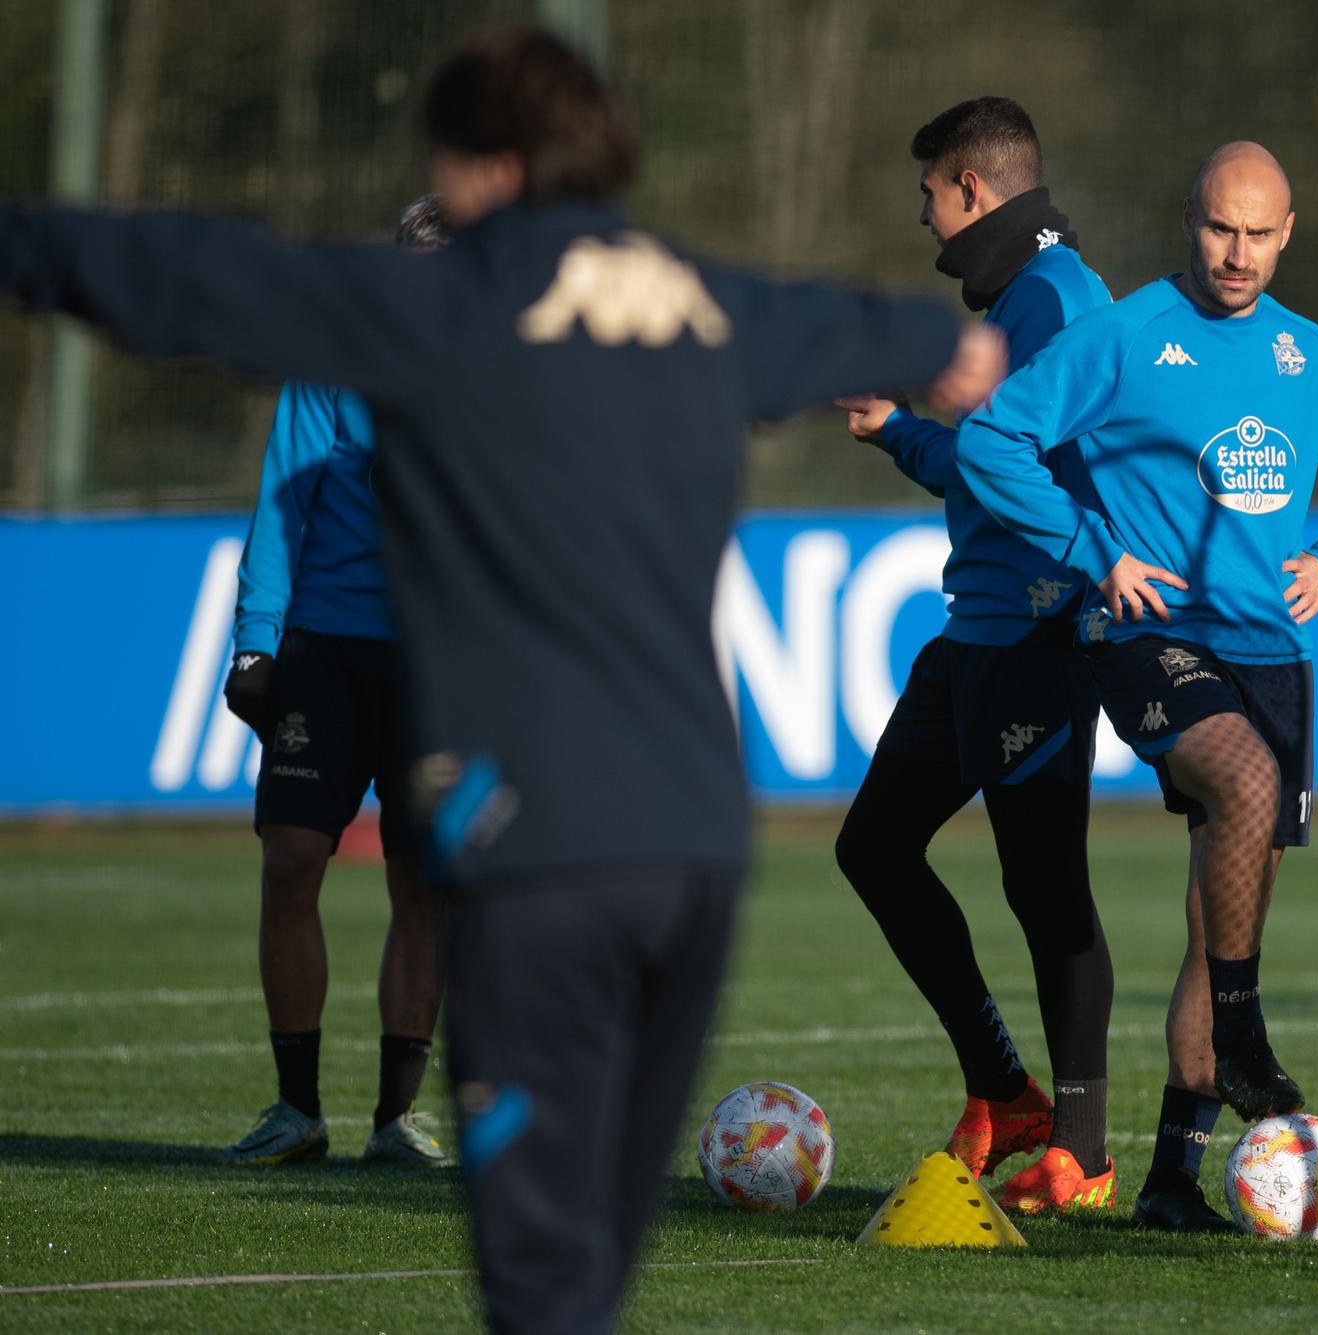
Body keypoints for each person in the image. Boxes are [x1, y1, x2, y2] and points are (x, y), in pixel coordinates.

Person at [0, 25, 1003, 1332]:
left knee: (541, 1289)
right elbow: (884, 331)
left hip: (540, 846)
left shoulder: (445, 302)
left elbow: (194, 275)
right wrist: (942, 345)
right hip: (698, 849)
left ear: (481, 166)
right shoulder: (702, 299)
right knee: (592, 1270)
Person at [954, 142, 1318, 1232]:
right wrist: (1090, 549)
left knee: (1221, 916)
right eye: (1216, 228)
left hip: (1271, 655)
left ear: (1288, 233)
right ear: (1185, 220)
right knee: (1239, 786)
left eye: (1257, 233)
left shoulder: (1306, 351)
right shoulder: (1124, 334)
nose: (1235, 253)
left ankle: (1167, 1183)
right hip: (1150, 637)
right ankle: (1242, 1034)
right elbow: (995, 439)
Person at [832, 97, 1118, 1214]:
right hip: (975, 633)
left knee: (1044, 888)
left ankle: (1084, 1154)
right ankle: (1006, 1091)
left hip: (1038, 632)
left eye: (929, 197)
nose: (924, 221)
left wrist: (904, 431)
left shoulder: (1058, 302)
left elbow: (999, 466)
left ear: (972, 191)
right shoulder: (1025, 294)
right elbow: (984, 457)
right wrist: (895, 427)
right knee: (874, 849)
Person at [219, 195, 454, 1170]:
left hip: (445, 663)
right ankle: (295, 1109)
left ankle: (396, 1118)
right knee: (290, 865)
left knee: (422, 881)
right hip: (325, 650)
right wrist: (252, 642)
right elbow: (283, 504)